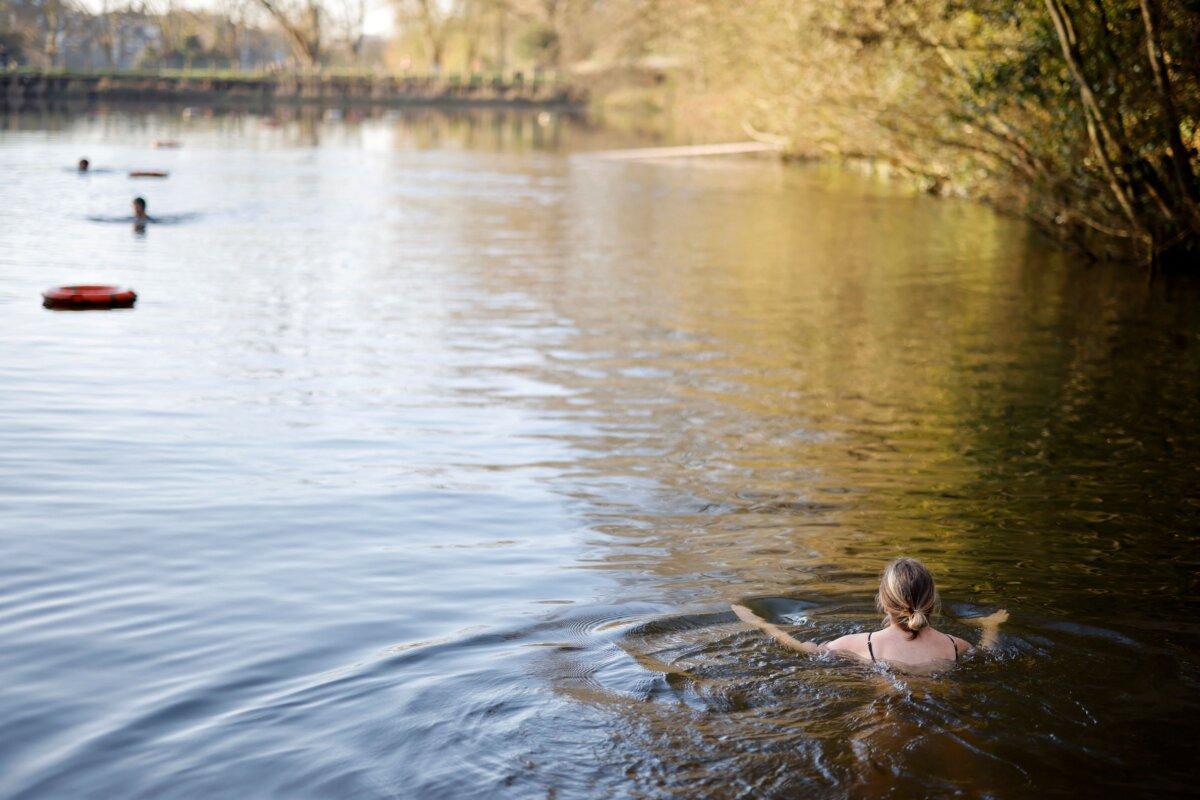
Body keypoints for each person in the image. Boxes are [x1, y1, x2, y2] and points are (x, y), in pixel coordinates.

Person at [731, 557, 1008, 668]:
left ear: (885, 603)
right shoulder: (955, 646)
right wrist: (991, 625)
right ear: (932, 602)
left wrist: (762, 623)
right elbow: (985, 650)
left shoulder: (861, 645)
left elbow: (805, 649)